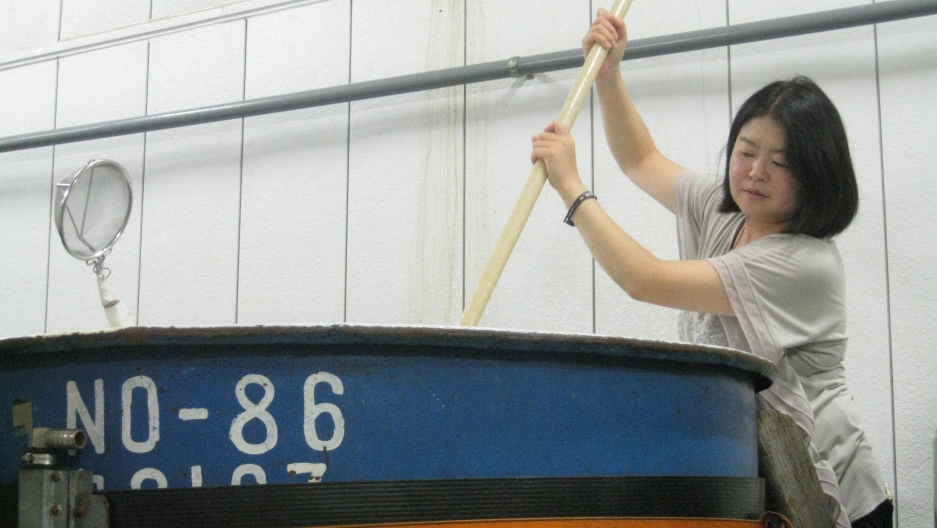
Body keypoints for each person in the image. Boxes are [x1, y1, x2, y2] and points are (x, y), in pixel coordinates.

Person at [530, 9, 892, 528]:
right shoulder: (725, 209)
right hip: (768, 470)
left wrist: (571, 186)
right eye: (746, 151)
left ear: (816, 175)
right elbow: (641, 159)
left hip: (833, 493)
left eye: (781, 162)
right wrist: (610, 76)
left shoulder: (804, 262)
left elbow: (643, 279)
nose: (754, 173)